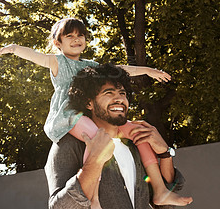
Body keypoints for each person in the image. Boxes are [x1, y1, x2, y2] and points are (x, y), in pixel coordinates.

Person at [0, 18, 189, 206]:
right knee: (98, 140)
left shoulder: (91, 66)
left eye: (81, 35)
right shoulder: (58, 62)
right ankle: (94, 198)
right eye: (69, 35)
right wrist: (12, 48)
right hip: (70, 118)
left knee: (140, 132)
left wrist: (147, 70)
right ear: (57, 43)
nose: (77, 39)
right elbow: (37, 56)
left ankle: (161, 191)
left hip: (86, 117)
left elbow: (119, 69)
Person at [45, 63, 193, 208]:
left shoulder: (135, 145)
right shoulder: (68, 145)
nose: (119, 99)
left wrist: (165, 153)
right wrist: (95, 161)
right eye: (108, 93)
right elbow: (59, 207)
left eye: (122, 93)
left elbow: (163, 202)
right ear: (88, 103)